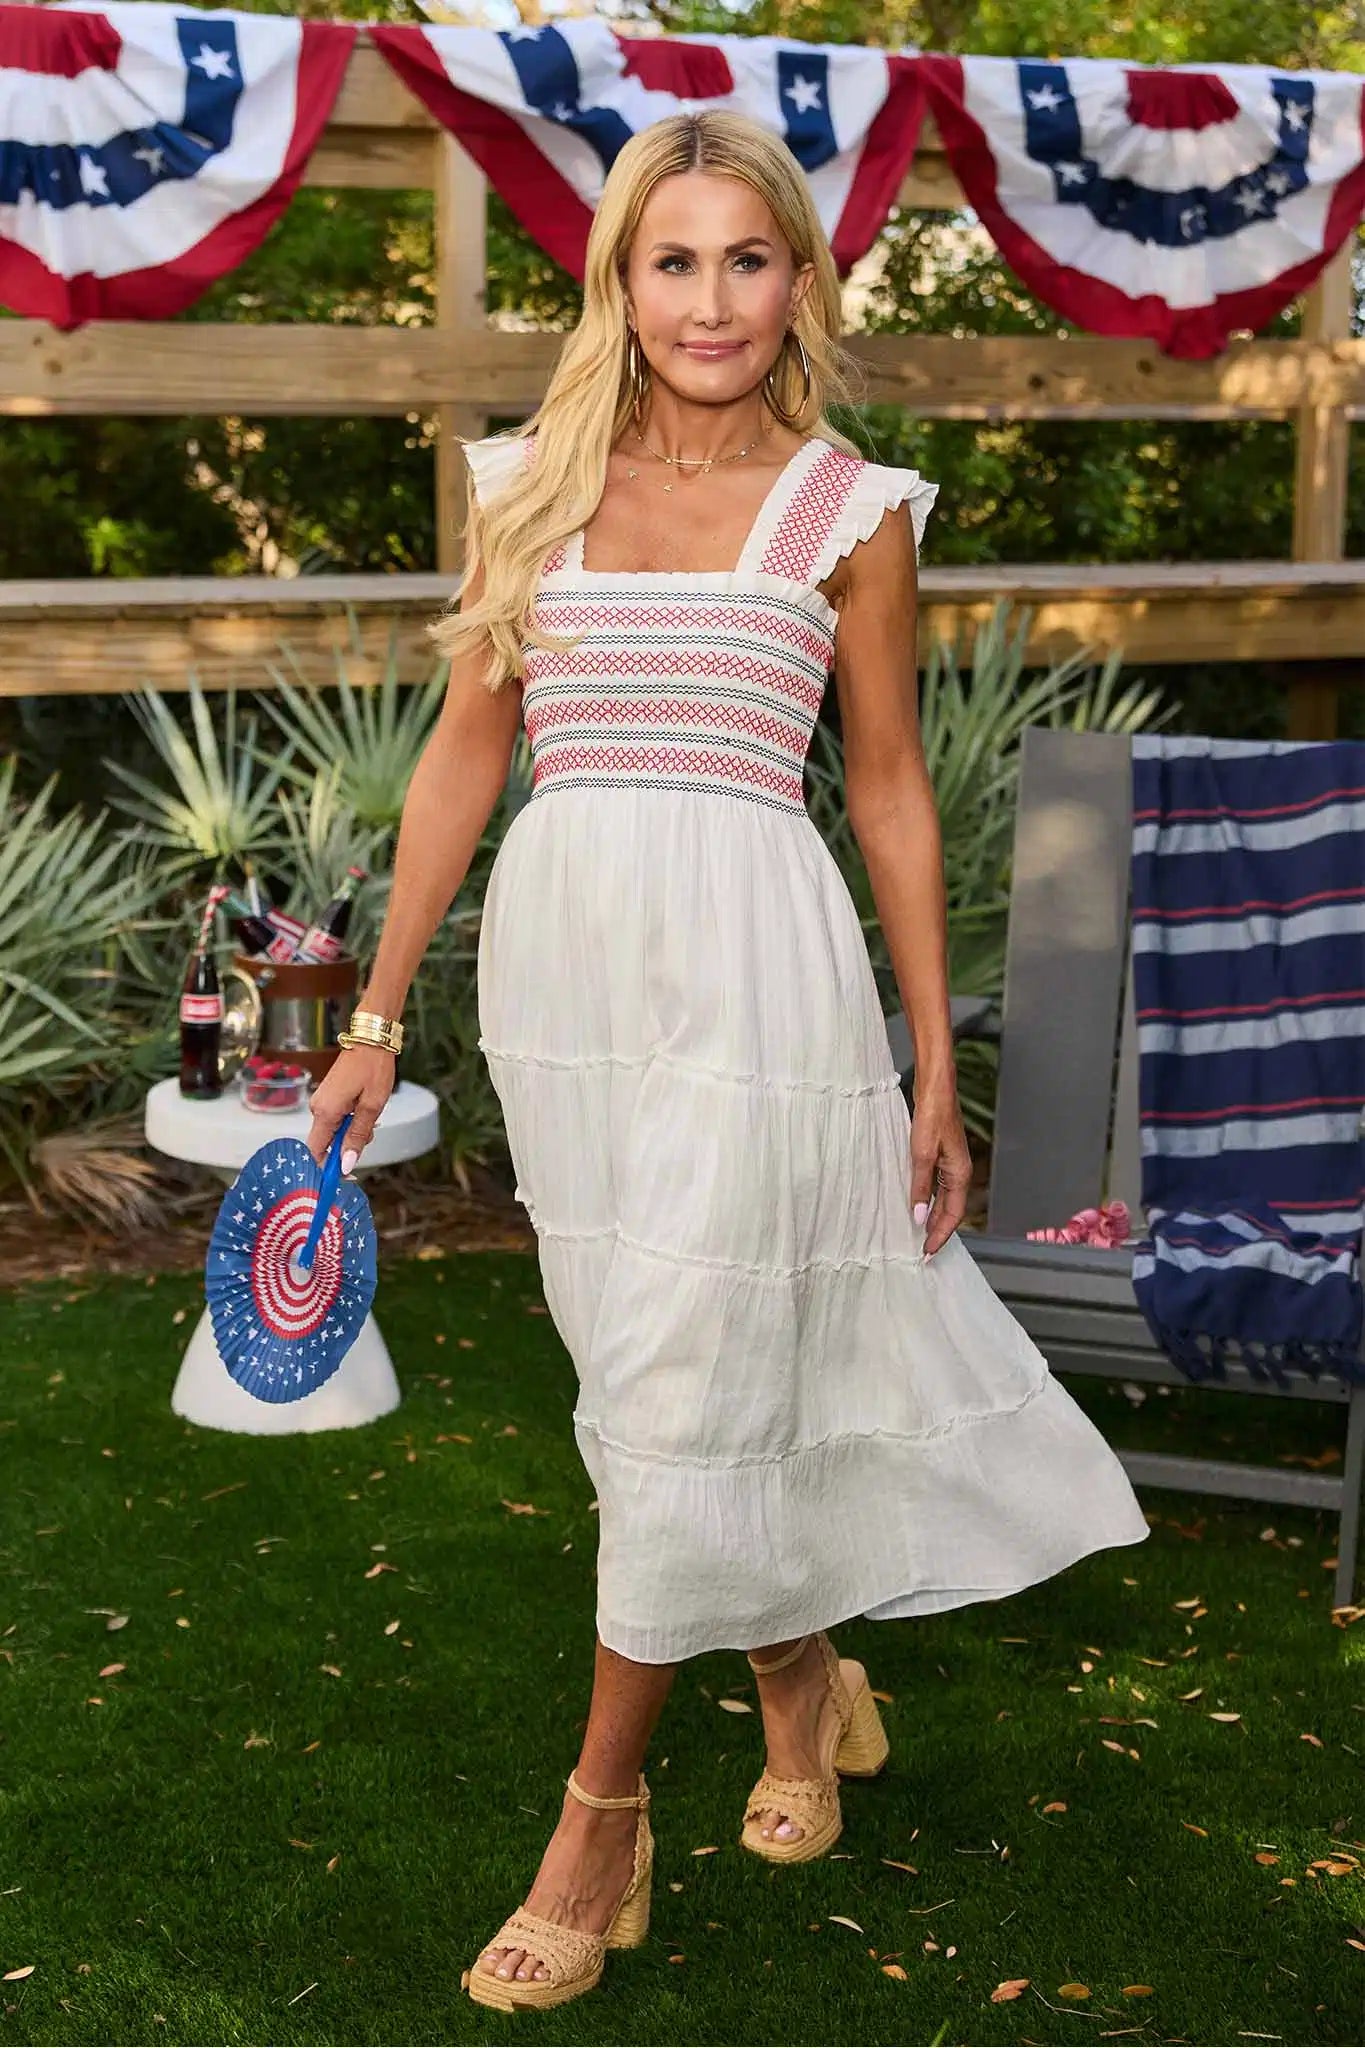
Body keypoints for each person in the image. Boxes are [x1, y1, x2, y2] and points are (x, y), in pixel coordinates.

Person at [306, 106, 1151, 2015]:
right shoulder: (528, 481)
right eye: (671, 259)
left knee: (688, 1376)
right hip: (570, 984)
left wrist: (935, 1069)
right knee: (650, 1366)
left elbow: (886, 793)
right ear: (619, 275)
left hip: (766, 982)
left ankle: (598, 1825)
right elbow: (463, 759)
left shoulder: (849, 510)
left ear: (798, 281)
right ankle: (801, 1677)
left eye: (745, 260)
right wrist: (370, 1019)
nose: (709, 299)